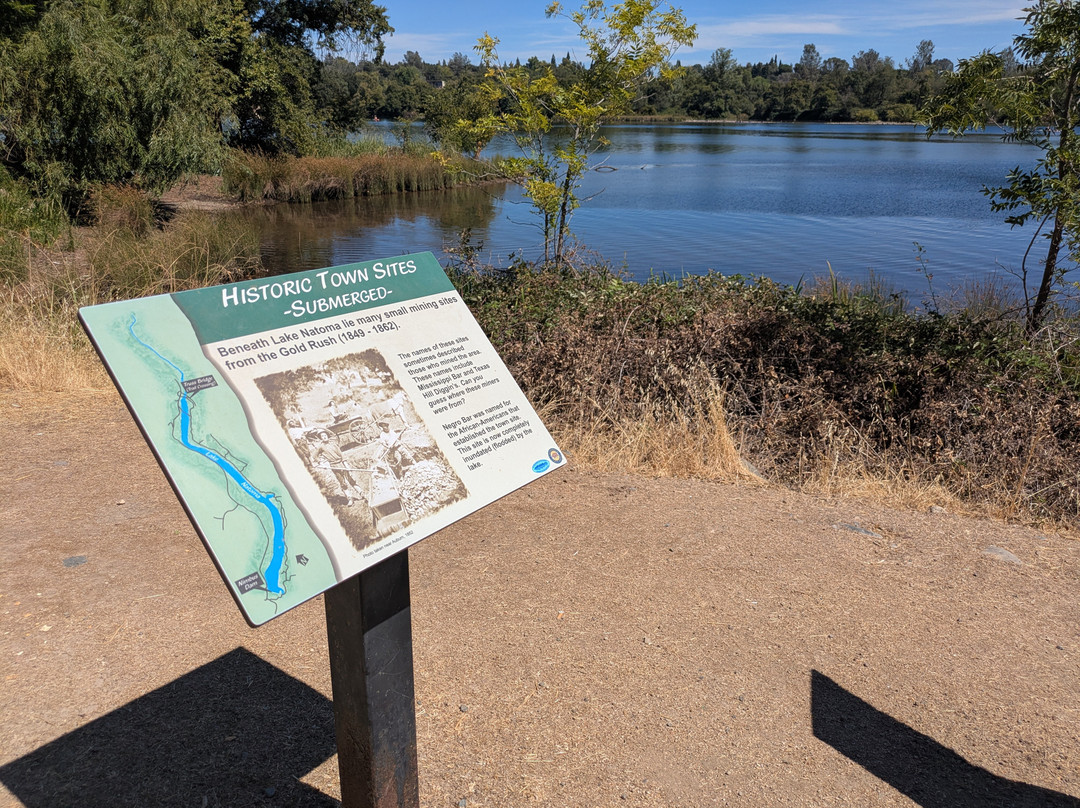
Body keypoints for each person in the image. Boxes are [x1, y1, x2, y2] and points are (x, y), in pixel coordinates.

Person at [311, 430, 366, 506]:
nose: (324, 437)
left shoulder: (333, 443)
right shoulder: (321, 446)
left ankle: (362, 493)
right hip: (334, 466)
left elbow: (341, 454)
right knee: (342, 482)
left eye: (325, 435)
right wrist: (320, 463)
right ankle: (350, 498)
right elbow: (314, 456)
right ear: (321, 438)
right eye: (322, 436)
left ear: (327, 435)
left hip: (341, 463)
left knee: (350, 479)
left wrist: (346, 464)